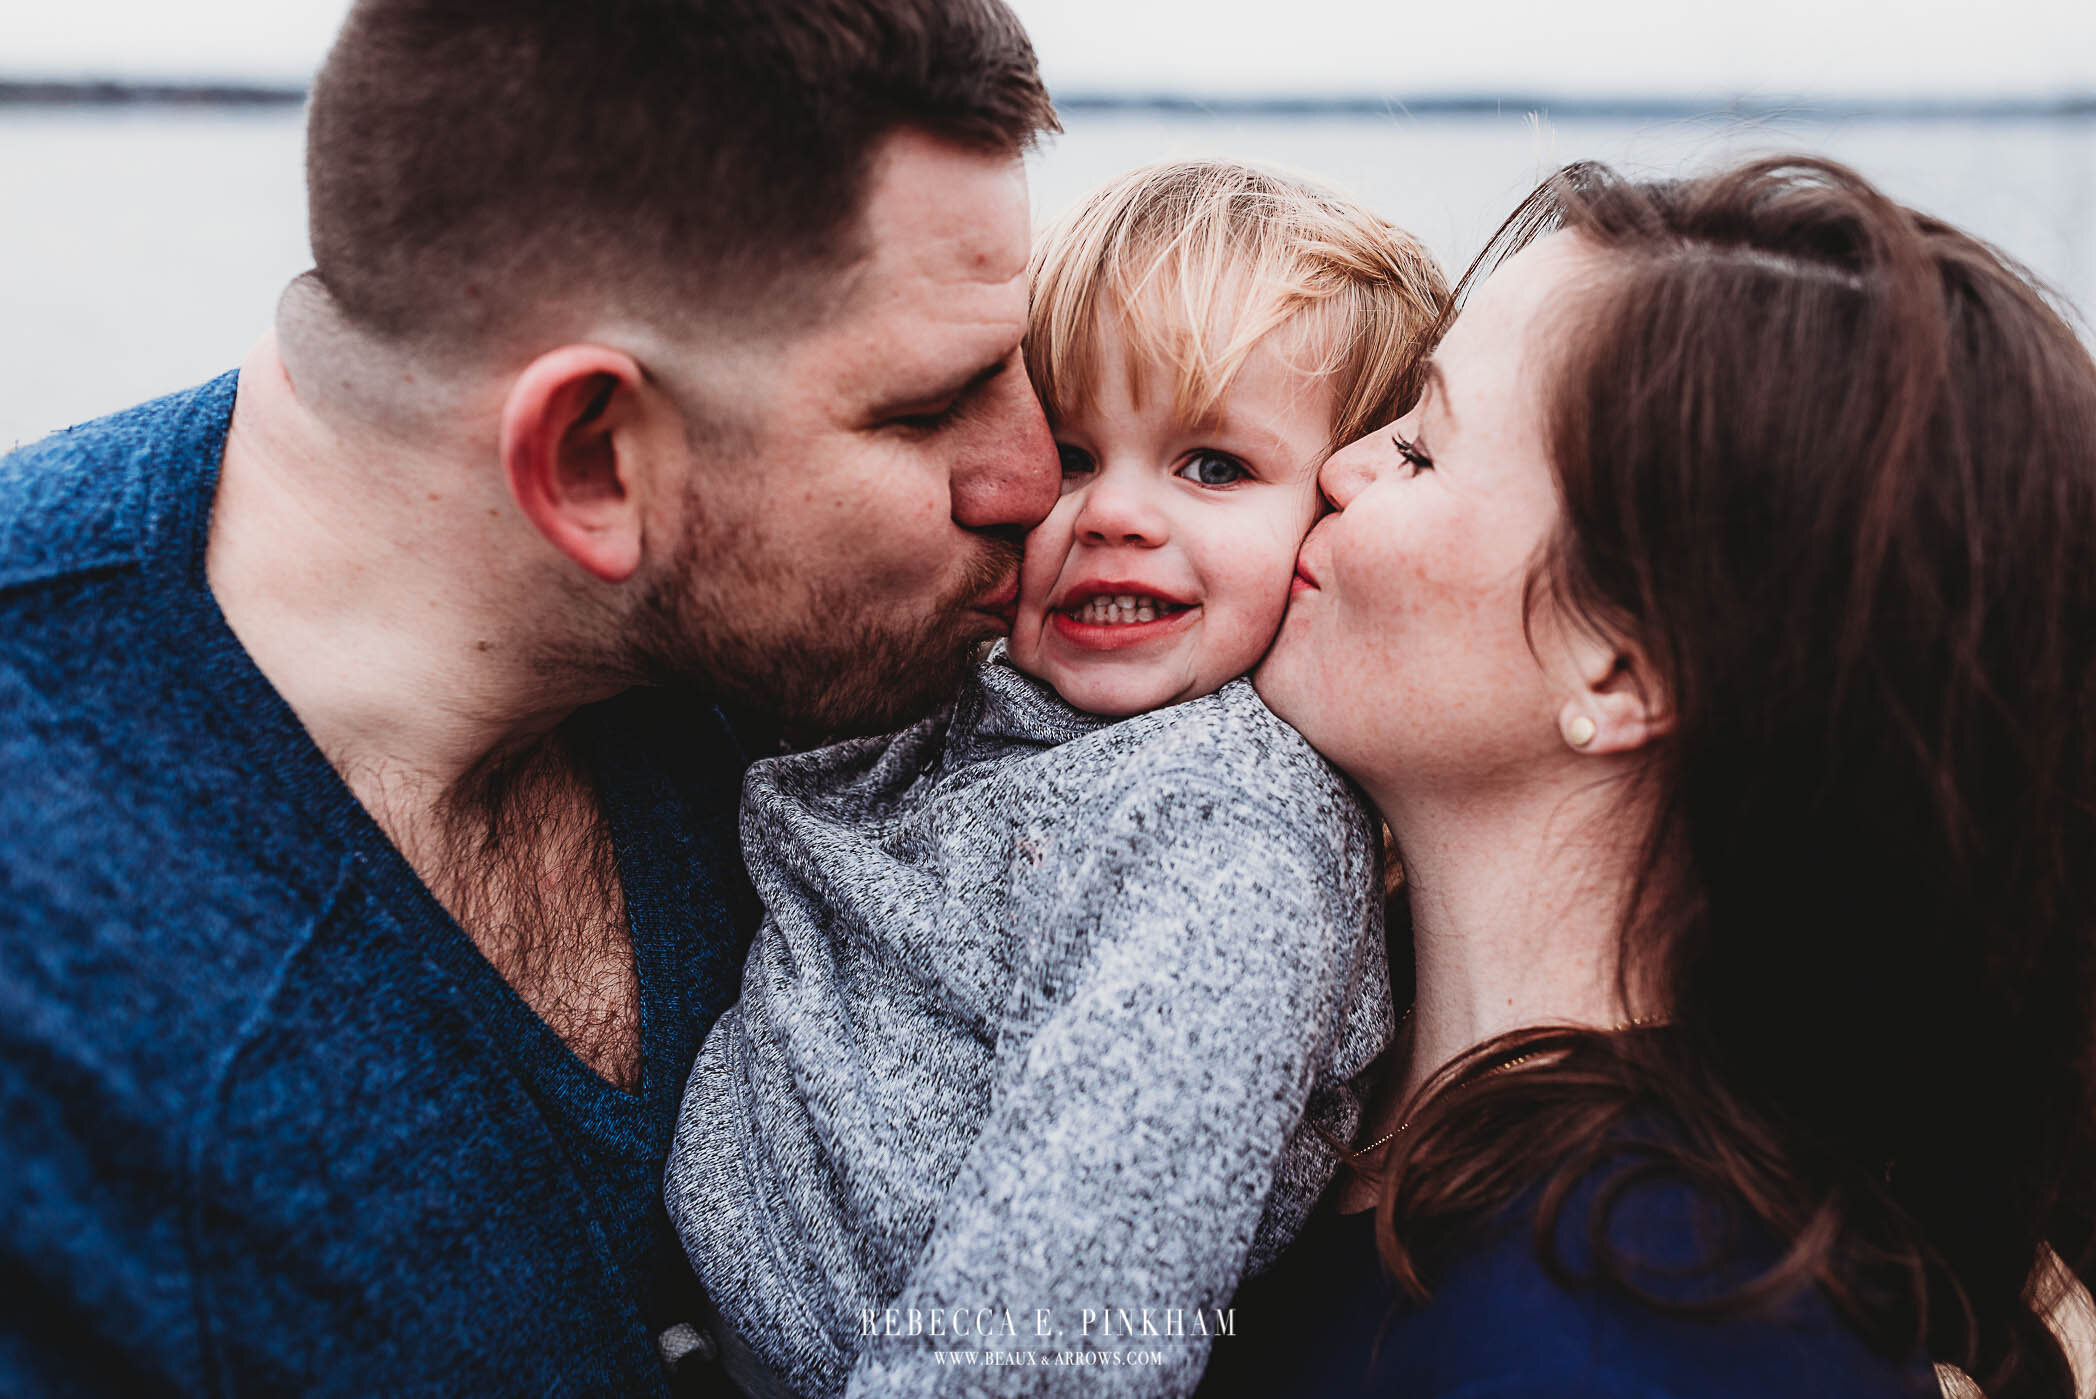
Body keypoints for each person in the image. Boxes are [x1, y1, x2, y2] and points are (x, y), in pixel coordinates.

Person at [0, 1, 1061, 1393]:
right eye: (930, 409)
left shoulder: (816, 652)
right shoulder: (62, 1010)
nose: (1040, 478)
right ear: (587, 458)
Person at [1226, 155, 2096, 1397]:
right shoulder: (1315, 1100)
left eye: (1418, 446)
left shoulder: (1643, 1323)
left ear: (1623, 668)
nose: (1339, 466)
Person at [662, 160, 1449, 1398]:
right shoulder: (970, 692)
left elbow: (1071, 1308)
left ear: (1332, 524)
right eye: (1071, 453)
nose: (1111, 514)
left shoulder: (1224, 831)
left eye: (1212, 467)